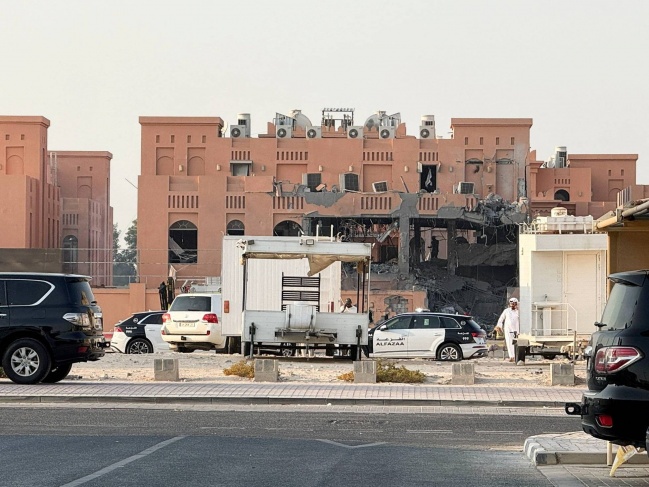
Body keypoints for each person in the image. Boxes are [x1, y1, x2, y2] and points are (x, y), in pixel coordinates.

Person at [497, 297, 520, 362]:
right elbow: (501, 319)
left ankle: (516, 357)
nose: (513, 305)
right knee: (509, 343)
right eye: (511, 303)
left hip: (516, 330)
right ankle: (511, 357)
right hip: (508, 330)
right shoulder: (506, 311)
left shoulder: (518, 312)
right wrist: (499, 326)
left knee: (516, 344)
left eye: (514, 303)